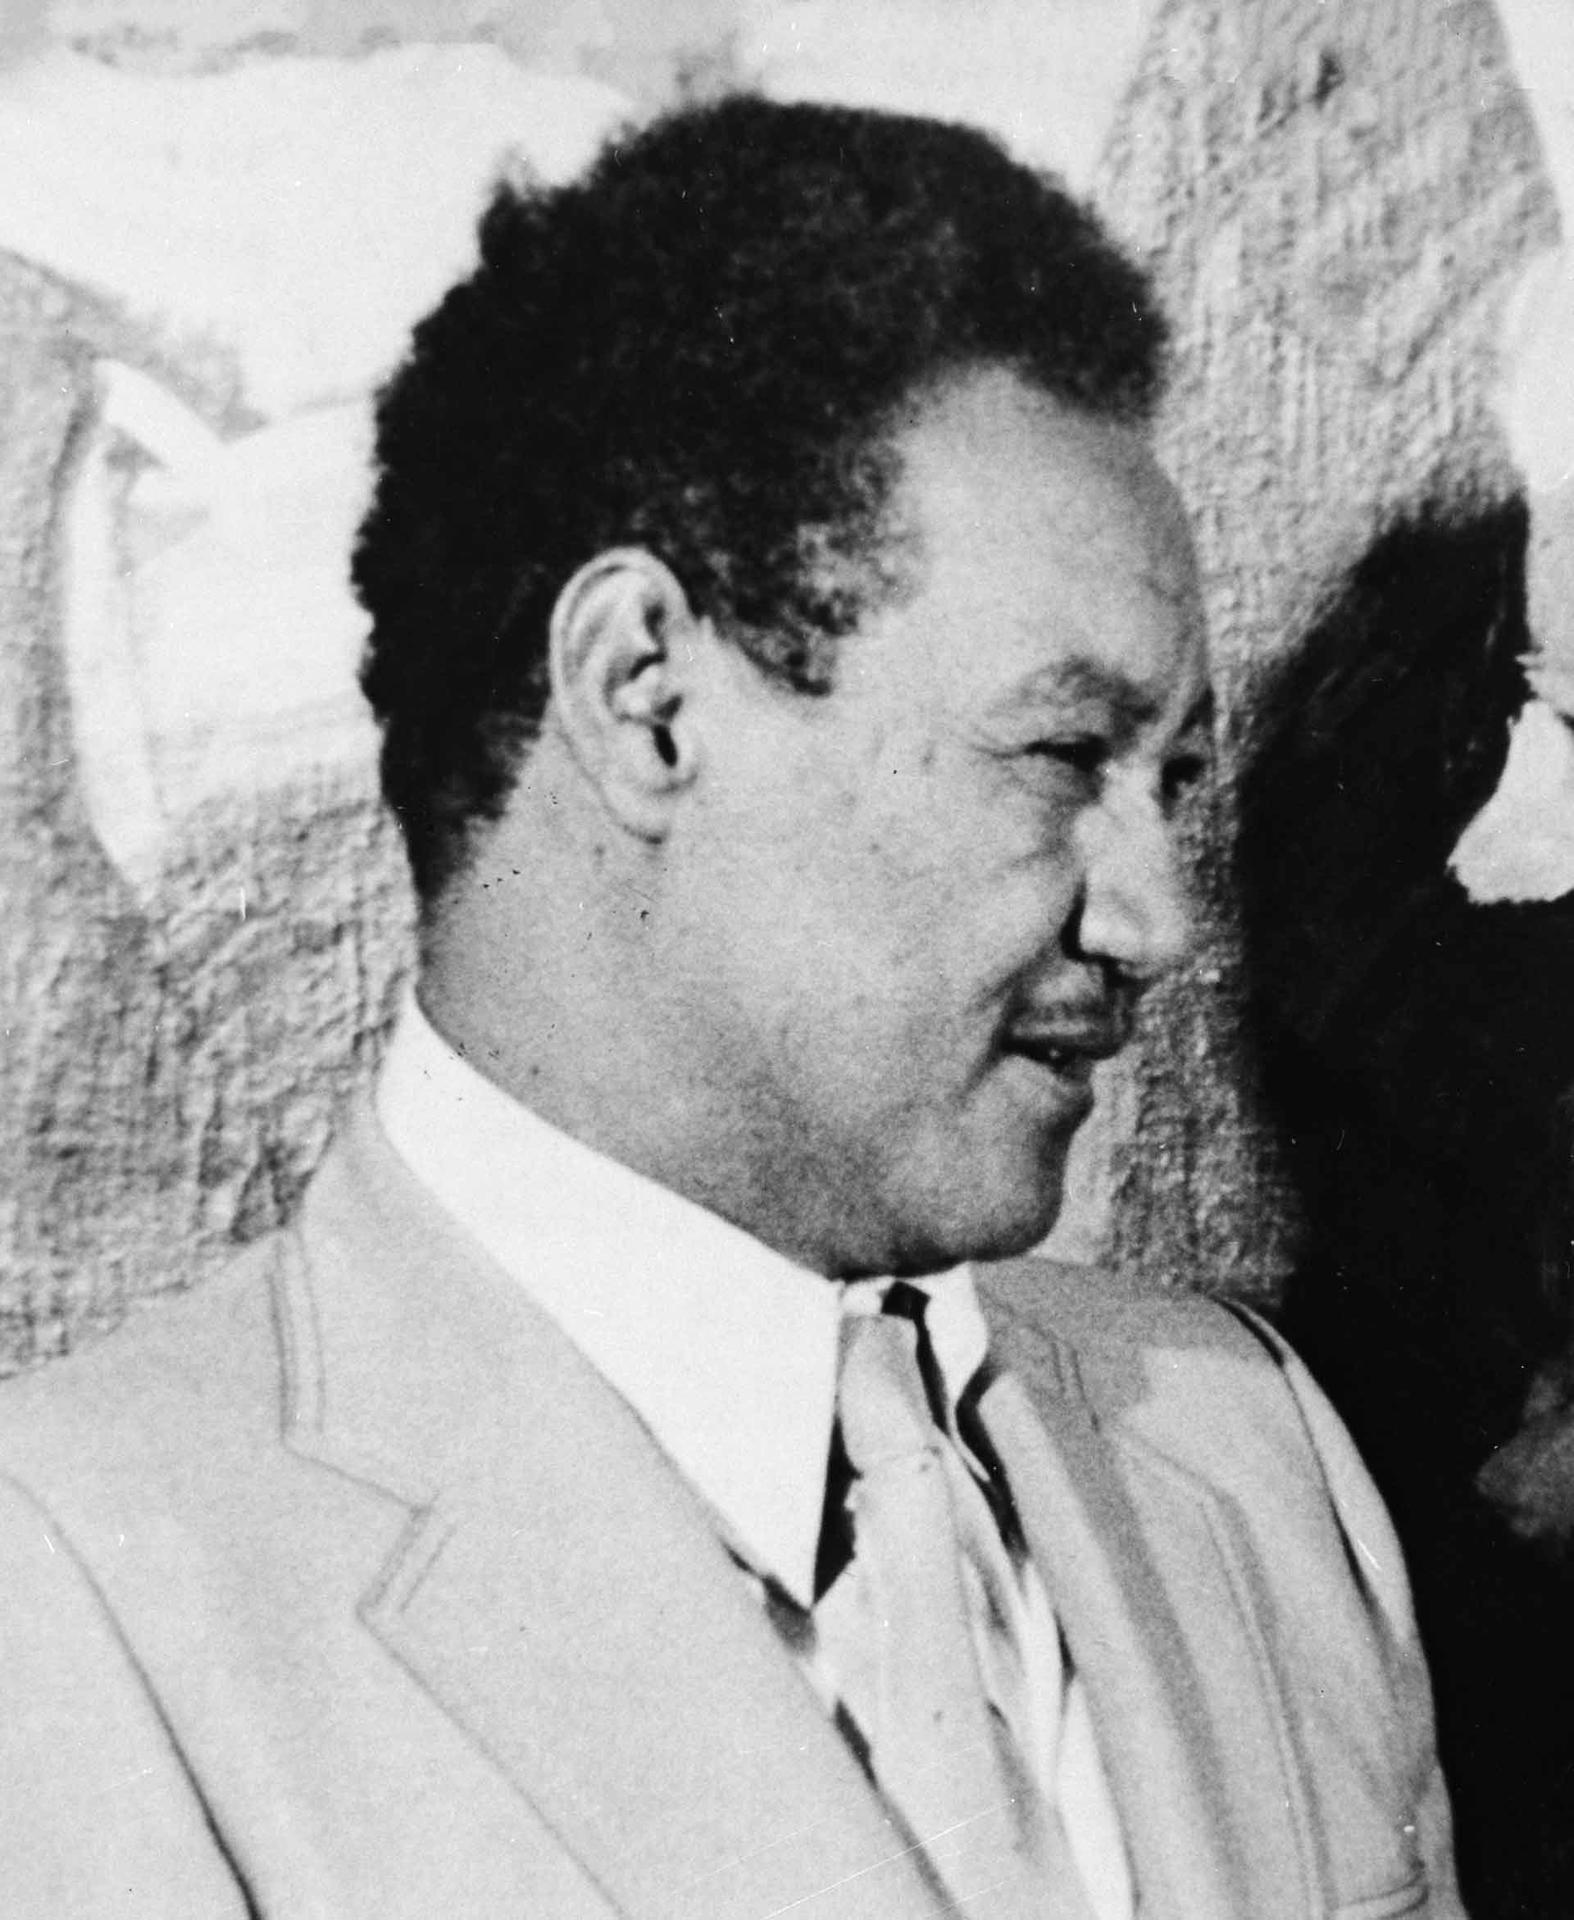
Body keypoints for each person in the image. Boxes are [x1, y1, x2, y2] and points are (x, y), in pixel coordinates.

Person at [0, 95, 1462, 1918]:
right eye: (1057, 752)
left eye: (1166, 779)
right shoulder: (74, 1592)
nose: (1156, 916)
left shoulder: (1245, 1451)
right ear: (646, 699)